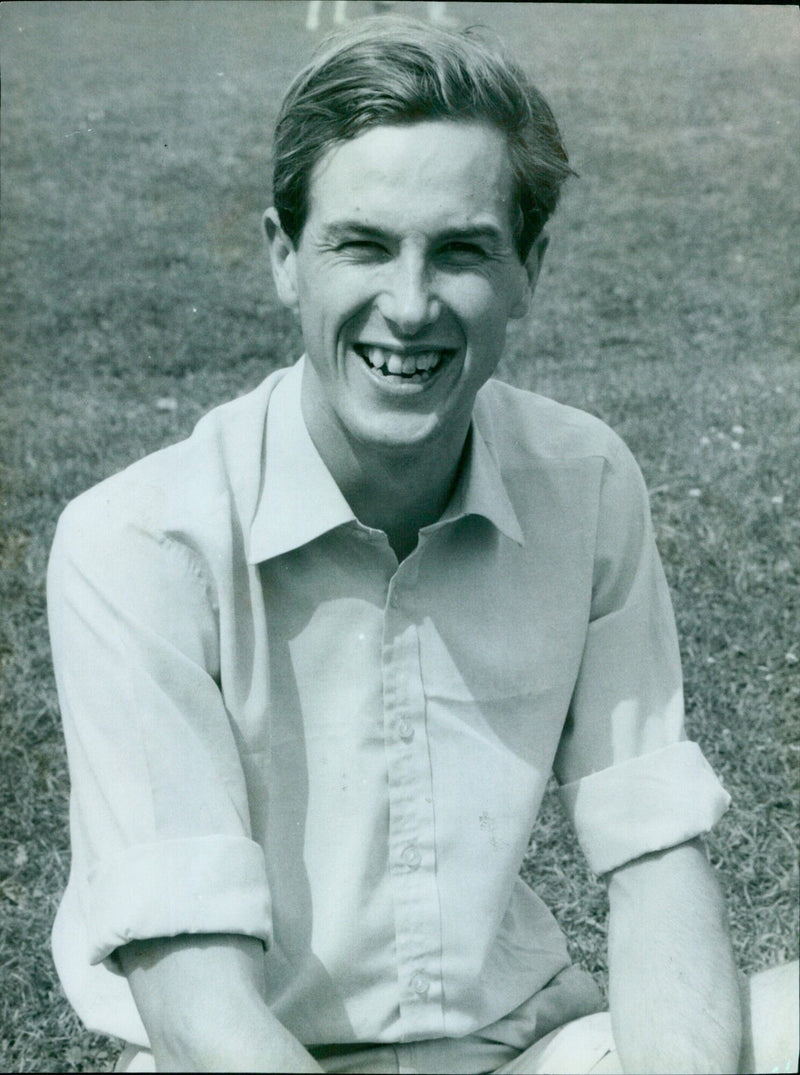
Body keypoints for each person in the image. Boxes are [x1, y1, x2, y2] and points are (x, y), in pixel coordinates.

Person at [47, 15, 797, 1075]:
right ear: (282, 257)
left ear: (527, 268)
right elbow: (197, 1006)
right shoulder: (136, 540)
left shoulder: (582, 480)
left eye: (459, 250)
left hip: (514, 1050)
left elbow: (652, 860)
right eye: (360, 244)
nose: (407, 306)